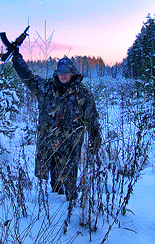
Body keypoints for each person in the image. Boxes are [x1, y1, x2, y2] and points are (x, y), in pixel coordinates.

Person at [10, 50, 102, 200]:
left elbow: (91, 118)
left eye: (66, 72)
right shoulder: (46, 88)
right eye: (60, 72)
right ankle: (55, 201)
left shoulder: (82, 93)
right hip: (49, 141)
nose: (62, 75)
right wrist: (16, 58)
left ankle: (71, 205)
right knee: (54, 176)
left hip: (70, 144)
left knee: (70, 176)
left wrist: (95, 139)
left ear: (72, 72)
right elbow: (28, 78)